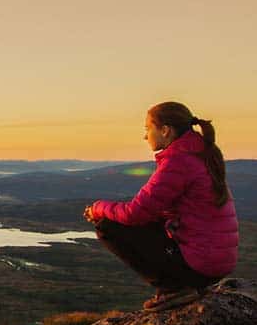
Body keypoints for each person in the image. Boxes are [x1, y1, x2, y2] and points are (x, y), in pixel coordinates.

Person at [82, 101, 238, 310]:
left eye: (148, 128)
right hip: (214, 264)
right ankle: (183, 286)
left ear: (165, 130)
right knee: (123, 221)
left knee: (108, 227)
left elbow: (135, 213)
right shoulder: (200, 154)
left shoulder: (179, 162)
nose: (145, 136)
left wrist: (98, 208)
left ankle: (174, 289)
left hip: (199, 266)